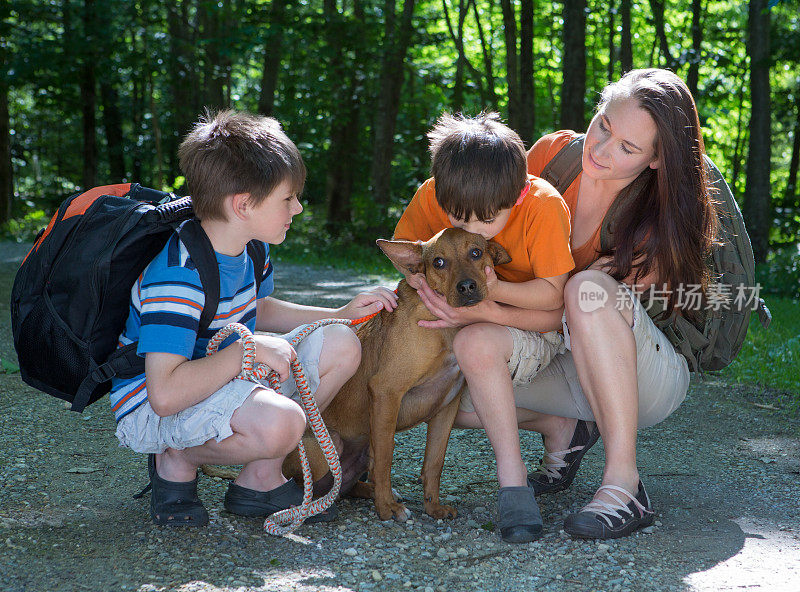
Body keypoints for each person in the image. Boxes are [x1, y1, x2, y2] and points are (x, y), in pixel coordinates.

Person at [418, 69, 717, 540]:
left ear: (659, 159)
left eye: (628, 148)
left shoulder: (658, 221)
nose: (600, 150)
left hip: (643, 373)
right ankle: (563, 428)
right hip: (557, 350)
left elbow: (572, 314)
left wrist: (489, 306)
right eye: (603, 125)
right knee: (442, 391)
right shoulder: (552, 155)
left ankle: (625, 483)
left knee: (586, 290)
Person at [110, 110, 397, 527]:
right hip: (157, 407)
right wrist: (250, 350)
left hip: (224, 377)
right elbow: (165, 394)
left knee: (340, 342)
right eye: (288, 198)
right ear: (243, 204)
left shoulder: (252, 248)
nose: (297, 207)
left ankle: (260, 479)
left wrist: (338, 313)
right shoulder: (179, 274)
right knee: (283, 421)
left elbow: (259, 310)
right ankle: (173, 458)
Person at [394, 112, 575, 543]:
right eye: (458, 221)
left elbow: (552, 299)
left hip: (533, 324)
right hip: (470, 320)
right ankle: (558, 424)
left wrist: (487, 303)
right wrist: (421, 280)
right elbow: (410, 261)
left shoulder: (544, 205)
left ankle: (512, 482)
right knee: (438, 401)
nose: (471, 232)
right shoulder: (433, 195)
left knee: (472, 345)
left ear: (519, 193)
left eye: (486, 222)